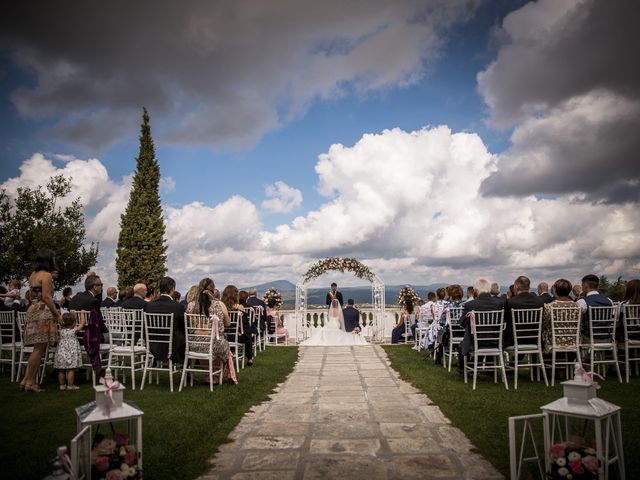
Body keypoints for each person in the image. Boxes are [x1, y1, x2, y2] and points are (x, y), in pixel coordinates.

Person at [21, 249, 63, 392]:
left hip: (32, 310)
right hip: (43, 312)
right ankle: (31, 382)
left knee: (36, 349)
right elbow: (46, 297)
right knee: (39, 349)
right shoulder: (46, 275)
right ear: (49, 260)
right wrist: (57, 314)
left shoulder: (33, 274)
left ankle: (26, 379)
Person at [186, 277, 237, 384]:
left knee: (217, 344)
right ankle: (216, 376)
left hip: (194, 344)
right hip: (214, 344)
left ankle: (210, 376)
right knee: (225, 347)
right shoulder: (219, 304)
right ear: (213, 290)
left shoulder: (190, 305)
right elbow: (228, 323)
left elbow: (189, 324)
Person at [458, 279, 506, 375]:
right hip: (495, 341)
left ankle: (464, 370)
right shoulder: (500, 303)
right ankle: (489, 368)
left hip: (475, 343)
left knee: (461, 345)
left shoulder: (470, 304)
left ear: (476, 291)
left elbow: (462, 323)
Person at [144, 277, 186, 364]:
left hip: (153, 344)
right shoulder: (177, 306)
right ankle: (186, 372)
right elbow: (184, 327)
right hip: (173, 346)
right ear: (172, 289)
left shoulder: (149, 305)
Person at [301, 298, 367, 346]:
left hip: (331, 323)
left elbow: (329, 317)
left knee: (325, 330)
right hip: (337, 324)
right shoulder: (341, 311)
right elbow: (342, 319)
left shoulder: (332, 310)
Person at [505, 276, 544, 348]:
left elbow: (505, 320)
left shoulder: (510, 302)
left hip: (513, 341)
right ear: (529, 287)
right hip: (535, 340)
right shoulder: (539, 302)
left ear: (516, 286)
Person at [222, 285, 255, 366]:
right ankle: (249, 357)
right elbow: (246, 326)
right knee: (247, 335)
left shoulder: (221, 307)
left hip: (223, 336)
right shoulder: (239, 308)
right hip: (236, 337)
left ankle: (231, 353)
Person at [541, 278, 577, 353]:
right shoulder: (577, 306)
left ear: (555, 290)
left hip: (553, 342)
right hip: (573, 342)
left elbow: (544, 324)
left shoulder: (549, 306)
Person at [68, 274, 107, 340]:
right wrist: (107, 331)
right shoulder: (94, 301)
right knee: (115, 336)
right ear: (95, 287)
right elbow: (99, 321)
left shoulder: (75, 298)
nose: (102, 287)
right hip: (90, 337)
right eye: (101, 285)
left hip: (74, 334)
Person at [54, 311, 84, 390]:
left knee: (61, 369)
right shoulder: (73, 330)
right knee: (71, 369)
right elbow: (82, 324)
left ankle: (62, 385)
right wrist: (82, 314)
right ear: (73, 323)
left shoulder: (61, 330)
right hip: (71, 352)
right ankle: (70, 385)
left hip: (61, 351)